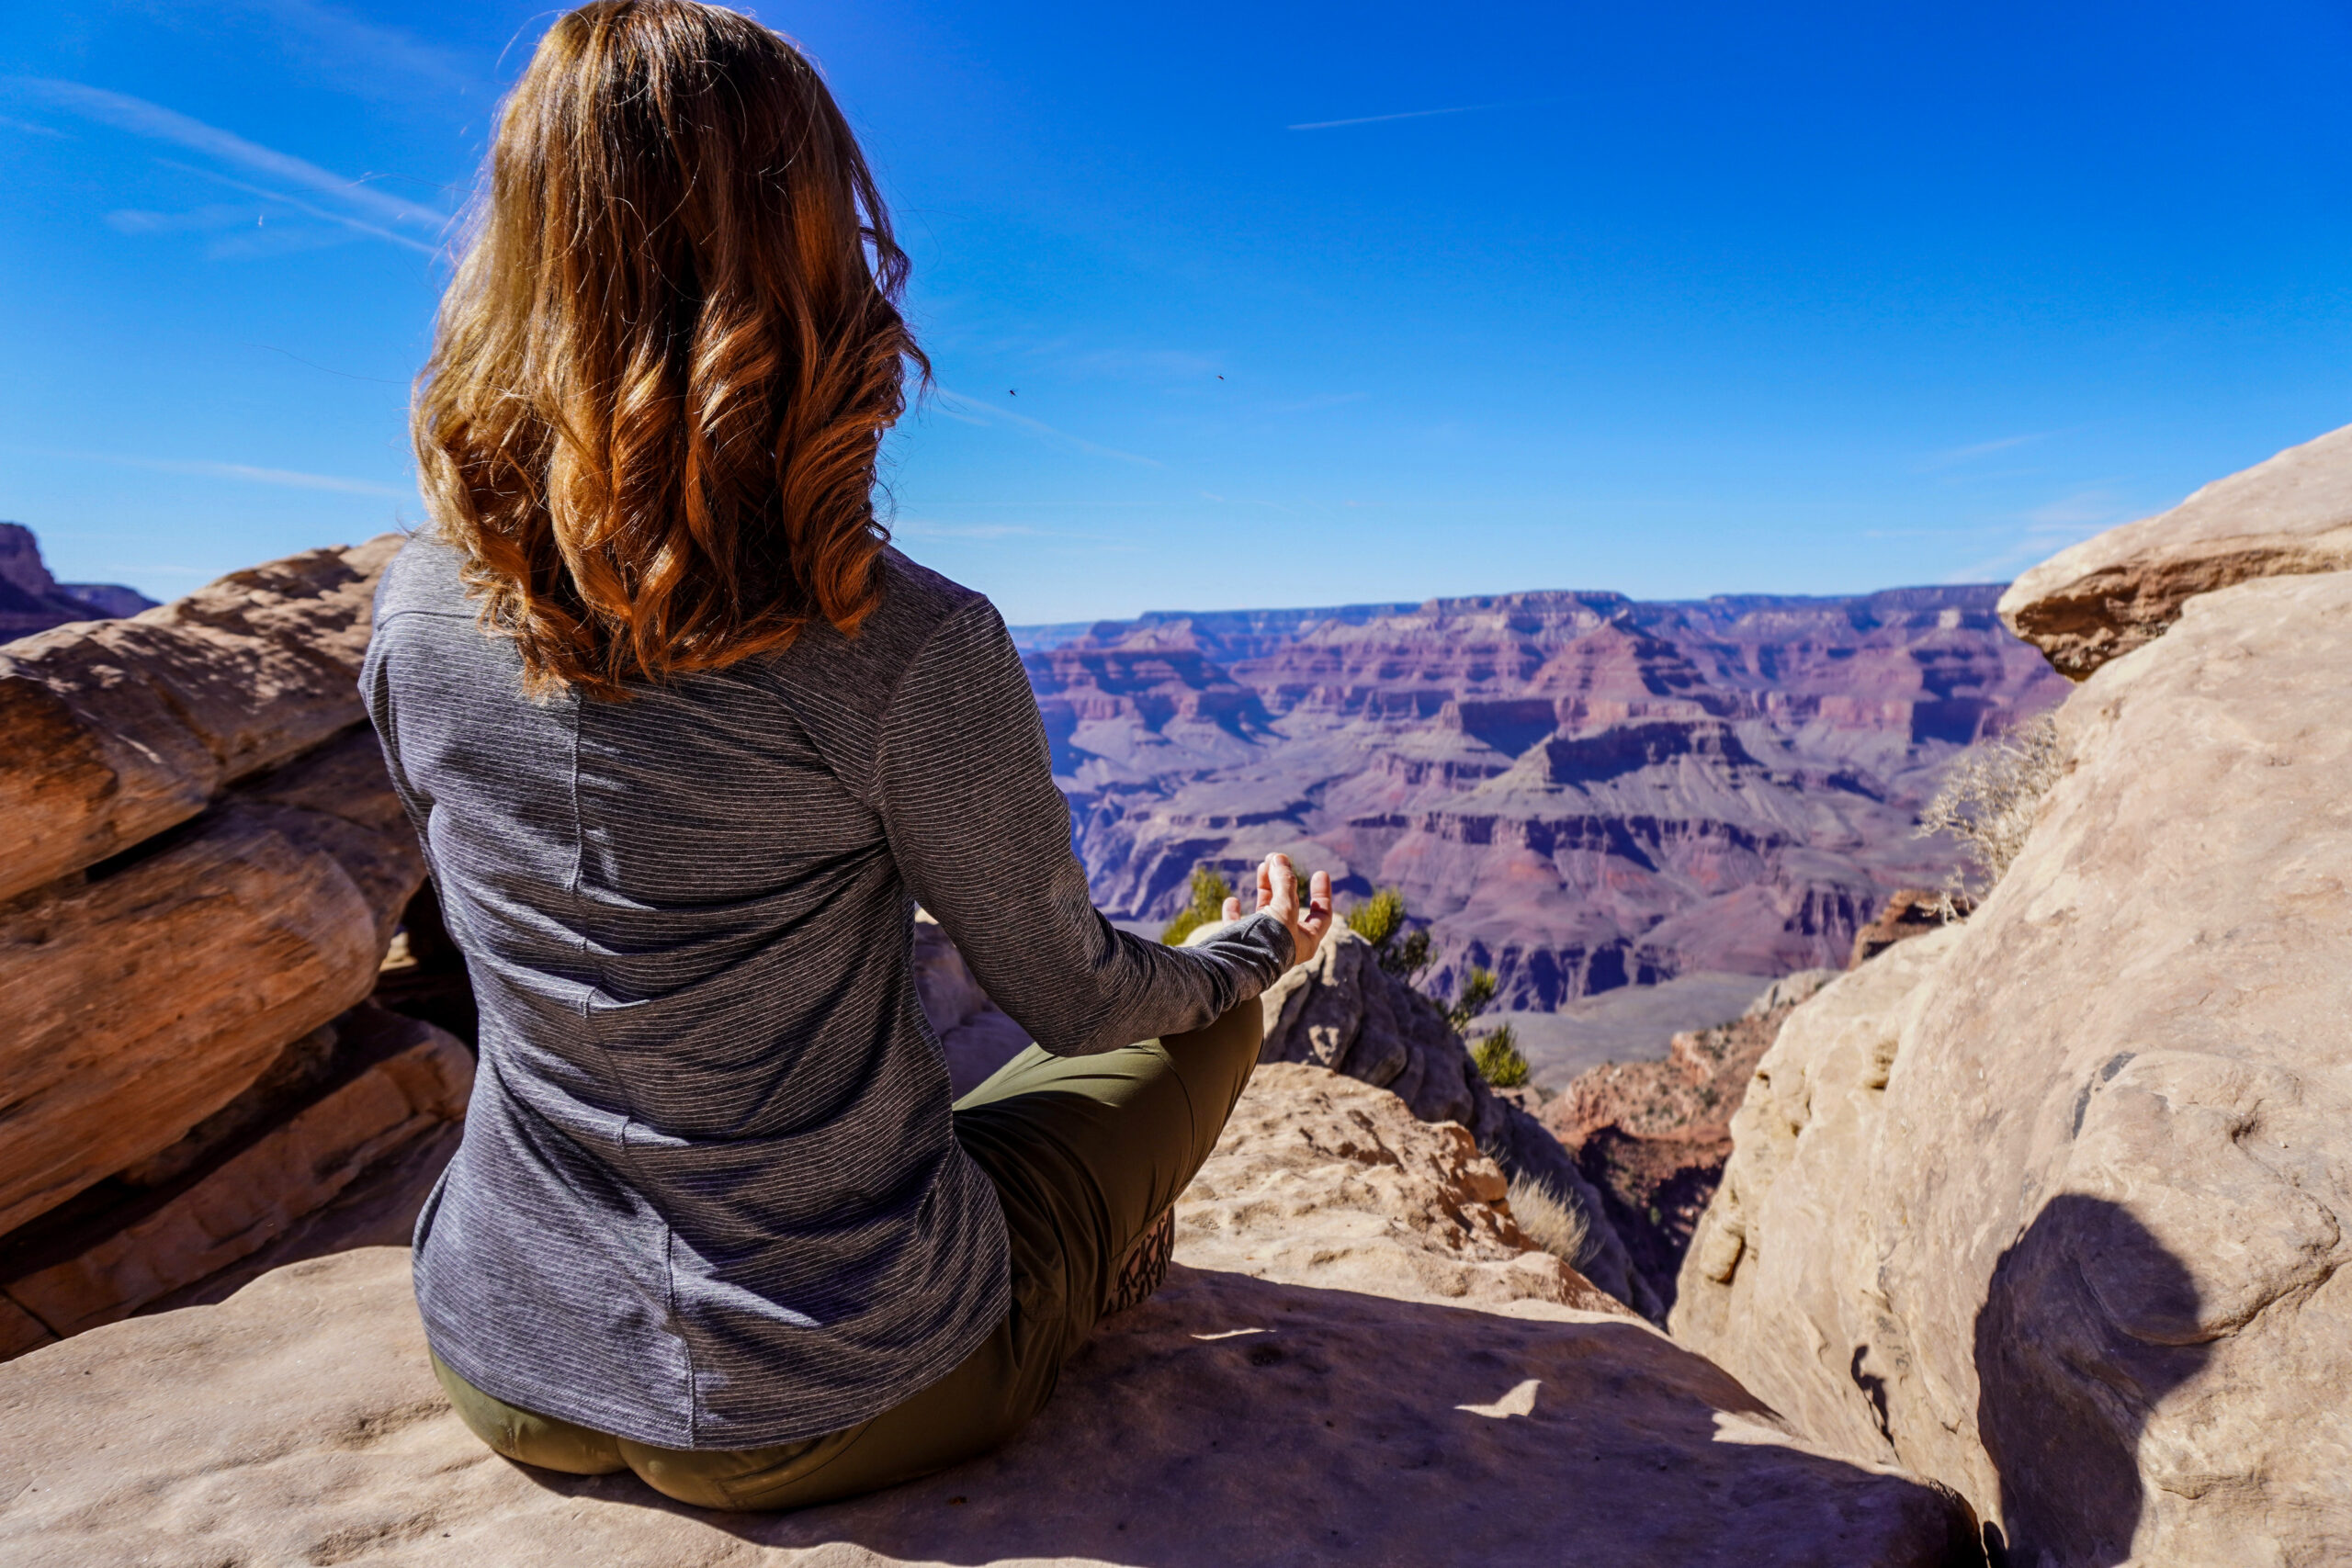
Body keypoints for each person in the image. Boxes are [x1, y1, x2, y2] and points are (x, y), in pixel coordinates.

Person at [366, 0, 1333, 1513]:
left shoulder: (415, 607)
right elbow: (1077, 995)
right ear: (811, 254)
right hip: (836, 1394)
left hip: (504, 1357)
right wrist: (1249, 946)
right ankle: (1091, 1278)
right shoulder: (897, 643)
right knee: (1194, 1027)